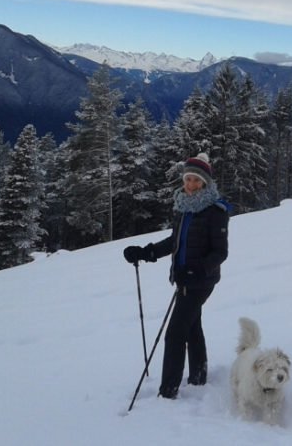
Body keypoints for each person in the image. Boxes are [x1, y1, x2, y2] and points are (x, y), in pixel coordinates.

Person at [123, 153, 230, 399]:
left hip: (200, 282)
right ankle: (198, 377)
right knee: (192, 327)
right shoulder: (183, 208)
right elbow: (175, 241)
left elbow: (220, 252)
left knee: (174, 334)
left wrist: (196, 270)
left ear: (205, 182)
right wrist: (146, 252)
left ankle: (168, 390)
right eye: (187, 179)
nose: (190, 184)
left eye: (196, 180)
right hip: (183, 278)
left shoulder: (215, 212)